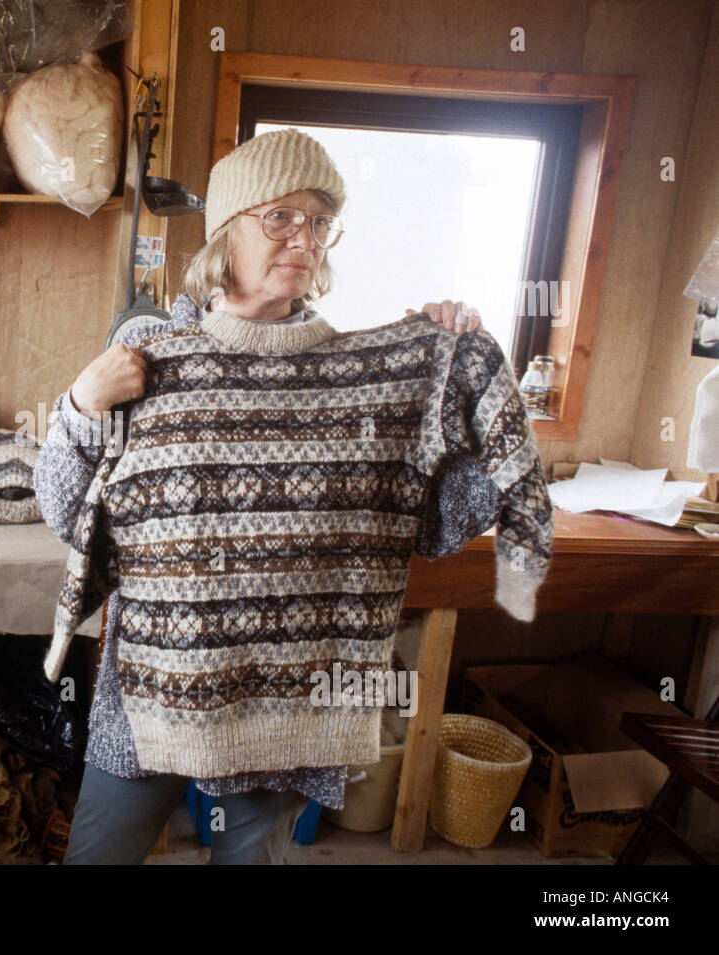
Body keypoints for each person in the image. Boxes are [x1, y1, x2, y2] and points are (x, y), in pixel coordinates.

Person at [34, 128, 508, 865]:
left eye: (320, 221)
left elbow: (440, 523)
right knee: (97, 854)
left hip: (287, 702)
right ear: (227, 230)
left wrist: (469, 396)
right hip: (153, 696)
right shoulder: (147, 360)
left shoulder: (356, 383)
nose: (305, 236)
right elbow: (65, 511)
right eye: (281, 215)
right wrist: (77, 405)